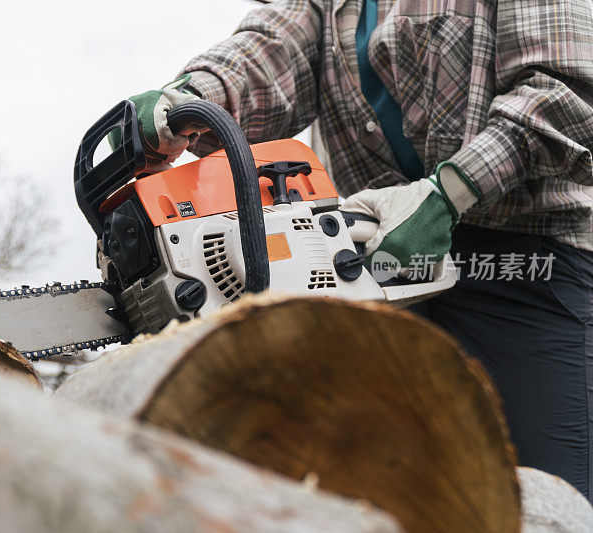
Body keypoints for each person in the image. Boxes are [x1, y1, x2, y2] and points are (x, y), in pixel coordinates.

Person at [120, 0, 593, 499]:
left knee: (545, 484)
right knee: (383, 483)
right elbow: (269, 49)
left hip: (521, 254)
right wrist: (190, 100)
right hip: (376, 252)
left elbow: (566, 88)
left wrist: (449, 193)